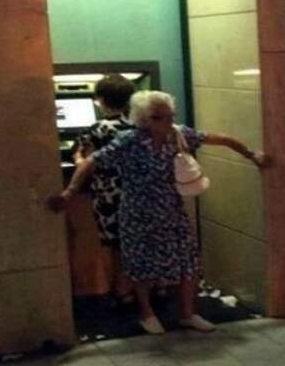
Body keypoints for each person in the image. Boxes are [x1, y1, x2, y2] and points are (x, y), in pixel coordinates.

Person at [48, 91, 269, 335]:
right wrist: (69, 192)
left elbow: (221, 139)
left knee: (187, 264)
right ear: (142, 119)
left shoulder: (179, 134)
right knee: (141, 266)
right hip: (137, 213)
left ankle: (187, 313)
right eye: (158, 117)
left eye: (169, 116)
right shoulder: (128, 140)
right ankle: (147, 313)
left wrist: (251, 155)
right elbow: (92, 162)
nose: (165, 122)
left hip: (172, 212)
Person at [71, 73, 136, 302]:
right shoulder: (139, 125)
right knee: (138, 240)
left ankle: (121, 291)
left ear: (99, 100)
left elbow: (82, 159)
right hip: (137, 192)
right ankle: (151, 288)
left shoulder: (97, 129)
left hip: (108, 195)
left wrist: (79, 160)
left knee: (115, 245)